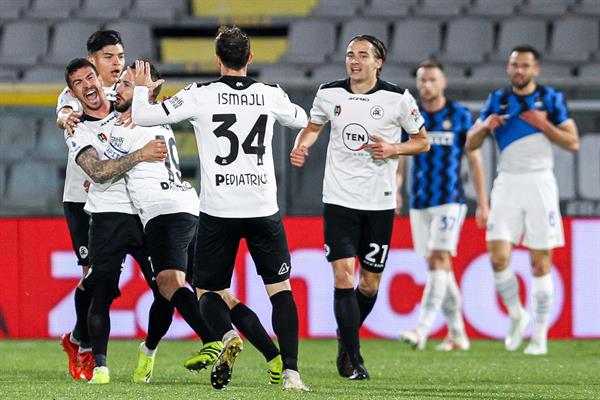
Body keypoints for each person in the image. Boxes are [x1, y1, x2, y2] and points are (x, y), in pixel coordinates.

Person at [131, 26, 310, 391]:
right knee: (281, 289)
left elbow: (145, 117)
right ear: (250, 58)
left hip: (219, 210)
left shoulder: (200, 94)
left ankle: (227, 335)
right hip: (262, 206)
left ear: (217, 60)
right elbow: (303, 119)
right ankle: (291, 372)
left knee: (208, 293)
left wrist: (139, 88)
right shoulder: (269, 94)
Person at [88, 60, 286, 386]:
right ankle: (273, 356)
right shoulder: (157, 118)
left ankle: (214, 339)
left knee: (167, 282)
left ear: (149, 88)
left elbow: (100, 165)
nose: (117, 89)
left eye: (127, 83)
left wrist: (75, 124)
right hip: (191, 208)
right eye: (121, 82)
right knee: (215, 293)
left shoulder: (132, 124)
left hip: (163, 212)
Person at [290, 35, 429, 380]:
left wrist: (394, 149)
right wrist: (302, 145)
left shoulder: (397, 98)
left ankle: (344, 337)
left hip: (378, 202)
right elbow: (312, 127)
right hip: (339, 200)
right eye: (350, 54)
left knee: (368, 285)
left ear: (378, 62)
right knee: (343, 275)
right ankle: (353, 358)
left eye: (362, 55)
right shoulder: (329, 93)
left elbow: (422, 142)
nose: (354, 60)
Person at [65, 58, 184, 384]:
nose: (88, 85)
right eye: (78, 83)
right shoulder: (77, 126)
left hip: (146, 212)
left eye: (91, 77)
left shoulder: (127, 107)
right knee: (97, 286)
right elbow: (99, 172)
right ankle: (90, 352)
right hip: (100, 211)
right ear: (72, 93)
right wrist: (137, 157)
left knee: (165, 289)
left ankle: (148, 351)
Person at [466, 45, 579, 355]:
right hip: (507, 182)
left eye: (525, 65)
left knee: (540, 262)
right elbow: (471, 143)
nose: (519, 70)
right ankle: (517, 315)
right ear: (508, 67)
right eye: (515, 65)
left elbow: (573, 142)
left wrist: (542, 124)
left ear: (535, 69)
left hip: (540, 181)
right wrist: (484, 126)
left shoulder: (552, 100)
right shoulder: (497, 100)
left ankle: (540, 334)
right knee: (498, 257)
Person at [396, 59, 488, 351]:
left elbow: (474, 159)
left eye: (432, 79)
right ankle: (458, 333)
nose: (426, 85)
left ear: (443, 83)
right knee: (439, 266)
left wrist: (483, 203)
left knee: (438, 258)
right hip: (420, 200)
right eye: (422, 80)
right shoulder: (412, 115)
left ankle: (422, 329)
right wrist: (396, 190)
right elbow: (400, 157)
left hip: (450, 199)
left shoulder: (460, 116)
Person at [56, 30, 126, 381]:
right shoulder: (74, 90)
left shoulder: (125, 93)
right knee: (96, 278)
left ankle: (78, 338)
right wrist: (65, 116)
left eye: (120, 56)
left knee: (108, 285)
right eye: (110, 57)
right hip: (82, 199)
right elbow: (65, 112)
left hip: (121, 201)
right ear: (94, 60)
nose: (118, 63)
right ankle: (86, 351)